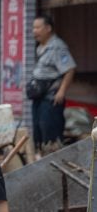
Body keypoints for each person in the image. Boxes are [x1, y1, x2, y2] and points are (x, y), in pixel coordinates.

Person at [30, 15, 76, 154]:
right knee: (39, 133)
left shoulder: (57, 46)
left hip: (51, 99)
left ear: (48, 28)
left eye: (38, 27)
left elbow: (70, 69)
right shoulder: (41, 47)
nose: (34, 31)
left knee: (51, 136)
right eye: (33, 27)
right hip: (39, 97)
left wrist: (61, 91)